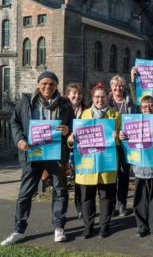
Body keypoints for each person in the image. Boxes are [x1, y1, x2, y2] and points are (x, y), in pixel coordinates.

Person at [1, 71, 73, 246]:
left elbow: (72, 124)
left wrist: (67, 131)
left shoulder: (64, 103)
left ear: (56, 86)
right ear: (38, 85)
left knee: (60, 191)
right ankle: (19, 230)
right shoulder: (26, 102)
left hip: (55, 154)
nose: (48, 87)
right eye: (45, 83)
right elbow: (15, 122)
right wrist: (19, 140)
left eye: (52, 84)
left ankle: (59, 227)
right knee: (25, 193)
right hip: (33, 154)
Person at [68, 83, 120, 239]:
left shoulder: (115, 116)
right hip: (87, 165)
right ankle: (88, 227)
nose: (100, 99)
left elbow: (121, 142)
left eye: (102, 96)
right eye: (97, 96)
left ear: (107, 97)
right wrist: (70, 140)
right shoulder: (84, 115)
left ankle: (105, 226)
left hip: (106, 164)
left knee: (106, 197)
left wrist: (118, 138)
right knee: (86, 197)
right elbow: (75, 141)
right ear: (92, 98)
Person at [119, 96, 153, 238]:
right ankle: (141, 226)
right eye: (145, 106)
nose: (148, 109)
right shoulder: (134, 121)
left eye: (151, 106)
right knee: (140, 199)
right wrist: (122, 136)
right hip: (139, 168)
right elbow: (126, 141)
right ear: (140, 108)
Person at [108, 75, 135, 217]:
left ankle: (122, 203)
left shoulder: (130, 103)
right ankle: (111, 204)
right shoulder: (106, 102)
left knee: (124, 174)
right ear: (111, 87)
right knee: (112, 175)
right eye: (115, 86)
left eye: (121, 86)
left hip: (125, 144)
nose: (118, 88)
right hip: (111, 144)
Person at [65, 83, 87, 221]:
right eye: (73, 93)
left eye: (79, 93)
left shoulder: (86, 110)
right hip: (65, 151)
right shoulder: (62, 109)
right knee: (63, 183)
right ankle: (62, 211)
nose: (77, 96)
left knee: (80, 182)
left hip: (82, 151)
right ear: (67, 95)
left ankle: (80, 209)